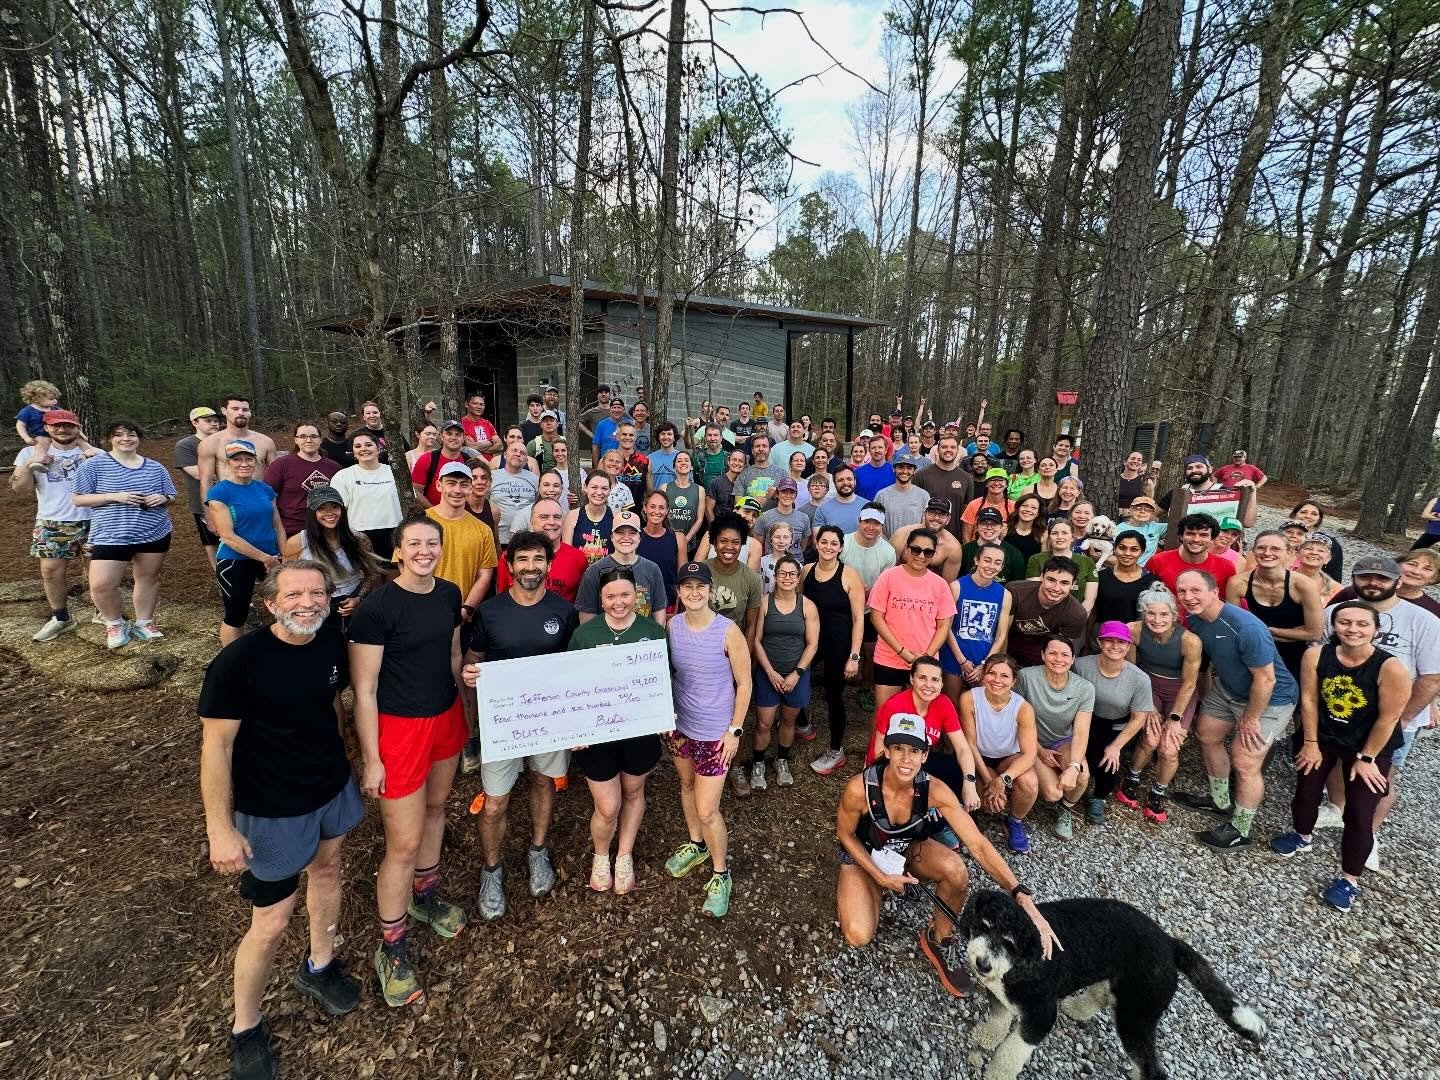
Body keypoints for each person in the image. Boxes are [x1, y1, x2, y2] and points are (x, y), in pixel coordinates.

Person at [200, 561, 362, 1079]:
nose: (307, 603)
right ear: (270, 603)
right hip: (270, 808)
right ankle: (245, 1026)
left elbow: (332, 704)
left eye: (317, 593)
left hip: (330, 786)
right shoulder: (239, 662)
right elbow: (216, 747)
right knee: (270, 921)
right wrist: (220, 828)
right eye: (294, 594)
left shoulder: (329, 644)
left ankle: (319, 964)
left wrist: (348, 756)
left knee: (328, 872)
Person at [838, 698, 1058, 995]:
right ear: (886, 750)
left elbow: (978, 844)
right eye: (898, 749)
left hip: (906, 849)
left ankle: (939, 937)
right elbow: (845, 835)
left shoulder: (934, 790)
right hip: (866, 853)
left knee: (957, 870)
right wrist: (878, 877)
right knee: (858, 934)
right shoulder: (859, 789)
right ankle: (876, 885)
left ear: (925, 755)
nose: (906, 759)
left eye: (914, 750)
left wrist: (1020, 893)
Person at [348, 517, 468, 1007]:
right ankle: (391, 945)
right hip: (399, 729)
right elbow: (364, 689)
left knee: (437, 810)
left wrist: (467, 690)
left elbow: (454, 653)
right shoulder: (376, 607)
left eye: (431, 543)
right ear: (397, 552)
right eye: (414, 544)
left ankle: (425, 895)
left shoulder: (448, 593)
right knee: (402, 842)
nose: (424, 550)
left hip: (444, 715)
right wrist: (372, 758)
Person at [463, 532, 580, 920]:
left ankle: (537, 850)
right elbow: (474, 657)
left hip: (548, 720)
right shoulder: (491, 612)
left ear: (549, 565)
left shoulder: (563, 611)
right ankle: (492, 869)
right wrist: (470, 674)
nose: (531, 567)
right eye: (523, 560)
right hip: (504, 723)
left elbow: (574, 669)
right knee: (495, 802)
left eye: (538, 560)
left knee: (543, 782)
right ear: (509, 566)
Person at [1269, 601, 1411, 911]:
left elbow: (1388, 719)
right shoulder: (1317, 655)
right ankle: (1302, 836)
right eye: (1345, 622)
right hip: (1324, 735)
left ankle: (1349, 879)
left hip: (1369, 746)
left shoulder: (1391, 668)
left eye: (1362, 624)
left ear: (1376, 629)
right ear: (1334, 626)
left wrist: (1368, 758)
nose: (1353, 629)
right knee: (1306, 790)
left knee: (1360, 811)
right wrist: (1309, 741)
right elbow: (1308, 700)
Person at [1316, 556, 1440, 868]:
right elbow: (1319, 659)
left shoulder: (1424, 621)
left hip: (1397, 717)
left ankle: (1368, 835)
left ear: (1397, 582)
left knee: (1380, 778)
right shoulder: (1334, 613)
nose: (1373, 583)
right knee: (1339, 764)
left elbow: (1432, 676)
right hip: (1342, 711)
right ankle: (1338, 809)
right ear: (1353, 580)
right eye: (1365, 577)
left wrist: (1403, 717)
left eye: (1382, 578)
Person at [1171, 569, 1299, 851]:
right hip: (1229, 688)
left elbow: (1266, 679)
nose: (1188, 597)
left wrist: (1251, 718)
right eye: (1182, 592)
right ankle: (1220, 801)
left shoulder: (1246, 627)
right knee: (1205, 734)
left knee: (1245, 761)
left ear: (1214, 592)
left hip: (1270, 698)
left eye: (1196, 591)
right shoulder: (1196, 620)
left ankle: (1240, 828)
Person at [568, 565, 667, 893]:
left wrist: (663, 716)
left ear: (636, 594)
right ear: (601, 598)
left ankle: (624, 855)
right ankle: (601, 855)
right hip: (597, 737)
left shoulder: (652, 632)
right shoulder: (586, 635)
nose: (618, 602)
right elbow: (570, 686)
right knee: (607, 805)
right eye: (610, 596)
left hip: (638, 733)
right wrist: (575, 729)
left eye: (625, 594)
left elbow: (663, 681)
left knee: (634, 791)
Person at [664, 562, 753, 918]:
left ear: (711, 590)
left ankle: (721, 872)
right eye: (687, 586)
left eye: (701, 586)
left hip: (717, 733)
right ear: (679, 592)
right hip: (681, 727)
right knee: (686, 786)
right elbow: (668, 673)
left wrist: (735, 730)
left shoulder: (728, 631)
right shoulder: (672, 626)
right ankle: (696, 844)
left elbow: (744, 684)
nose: (694, 592)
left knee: (708, 809)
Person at [70, 420, 177, 648]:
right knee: (101, 585)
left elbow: (171, 495)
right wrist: (115, 496)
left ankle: (144, 622)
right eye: (119, 435)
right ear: (109, 439)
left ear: (139, 438)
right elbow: (78, 498)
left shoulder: (155, 467)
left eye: (131, 434)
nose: (126, 439)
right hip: (111, 533)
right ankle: (114, 623)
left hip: (153, 532)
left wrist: (163, 499)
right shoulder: (94, 465)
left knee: (147, 578)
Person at [1116, 583, 1203, 823]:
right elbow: (1132, 669)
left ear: (1175, 616)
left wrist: (1174, 718)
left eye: (1164, 614)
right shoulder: (1133, 630)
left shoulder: (1190, 640)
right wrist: (1149, 706)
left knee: (1169, 746)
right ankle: (1132, 778)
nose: (1157, 619)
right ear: (1142, 613)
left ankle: (1158, 791)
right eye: (1150, 613)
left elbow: (1189, 683)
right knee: (1151, 738)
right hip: (1148, 685)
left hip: (1180, 690)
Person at [10, 410, 92, 641]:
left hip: (95, 519)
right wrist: (28, 463)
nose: (62, 429)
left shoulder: (92, 452)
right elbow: (20, 488)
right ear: (46, 427)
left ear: (77, 427)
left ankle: (102, 613)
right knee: (51, 572)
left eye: (68, 425)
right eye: (56, 426)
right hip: (52, 520)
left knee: (97, 571)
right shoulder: (31, 452)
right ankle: (61, 618)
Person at [865, 655, 981, 812]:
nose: (929, 685)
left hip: (919, 760)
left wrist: (969, 783)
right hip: (890, 763)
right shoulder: (894, 706)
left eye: (934, 680)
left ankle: (947, 816)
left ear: (941, 684)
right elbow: (878, 750)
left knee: (955, 769)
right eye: (922, 678)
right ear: (912, 679)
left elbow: (962, 748)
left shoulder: (944, 703)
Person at [745, 555, 819, 791]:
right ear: (774, 576)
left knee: (788, 721)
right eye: (782, 573)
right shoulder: (765, 603)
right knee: (764, 723)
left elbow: (812, 644)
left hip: (796, 674)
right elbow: (756, 641)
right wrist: (769, 672)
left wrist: (797, 673)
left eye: (792, 574)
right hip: (769, 674)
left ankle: (782, 760)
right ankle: (758, 763)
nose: (787, 578)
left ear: (798, 578)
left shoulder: (807, 605)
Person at [868, 526, 958, 713]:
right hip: (889, 657)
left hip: (925, 662)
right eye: (916, 549)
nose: (921, 556)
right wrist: (902, 652)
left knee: (917, 716)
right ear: (907, 549)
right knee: (884, 713)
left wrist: (926, 656)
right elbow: (877, 618)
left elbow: (943, 625)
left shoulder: (940, 585)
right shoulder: (888, 577)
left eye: (928, 552)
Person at [1072, 623, 1154, 823]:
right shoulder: (1081, 665)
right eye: (1109, 640)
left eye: (1121, 642)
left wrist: (1116, 747)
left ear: (1128, 647)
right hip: (1085, 720)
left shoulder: (1139, 679)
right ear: (1100, 642)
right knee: (1081, 759)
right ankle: (1069, 796)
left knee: (1109, 762)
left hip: (1116, 726)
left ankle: (1099, 797)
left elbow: (1139, 718)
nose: (1115, 646)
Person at [960, 654, 1040, 853]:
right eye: (991, 673)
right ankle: (972, 817)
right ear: (983, 675)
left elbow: (1029, 754)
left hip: (1008, 759)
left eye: (1004, 676)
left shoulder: (1023, 708)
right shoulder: (969, 698)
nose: (997, 680)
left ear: (1013, 681)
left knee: (1030, 782)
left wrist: (1002, 780)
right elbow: (969, 744)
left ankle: (1014, 821)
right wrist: (990, 781)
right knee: (981, 797)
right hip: (978, 757)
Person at [207, 440, 284, 646]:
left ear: (256, 462)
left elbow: (277, 526)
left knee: (284, 606)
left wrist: (285, 557)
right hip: (236, 560)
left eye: (248, 459)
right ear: (228, 463)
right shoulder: (220, 492)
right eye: (237, 459)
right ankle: (231, 659)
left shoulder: (265, 490)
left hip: (272, 559)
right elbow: (228, 535)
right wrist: (264, 558)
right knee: (236, 614)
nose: (243, 464)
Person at [803, 525, 866, 775]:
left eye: (834, 543)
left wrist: (854, 655)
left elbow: (859, 619)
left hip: (838, 642)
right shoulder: (806, 571)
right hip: (810, 639)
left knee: (833, 694)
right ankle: (800, 723)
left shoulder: (849, 576)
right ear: (816, 544)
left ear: (841, 547)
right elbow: (799, 605)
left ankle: (836, 749)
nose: (828, 547)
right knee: (795, 677)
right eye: (824, 542)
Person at [1018, 637, 1096, 839]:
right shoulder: (1026, 677)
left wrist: (1073, 766)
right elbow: (1013, 718)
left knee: (1082, 775)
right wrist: (1038, 750)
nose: (1058, 659)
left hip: (1062, 741)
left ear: (1072, 659)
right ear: (1043, 655)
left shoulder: (1084, 688)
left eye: (1065, 654)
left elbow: (1081, 732)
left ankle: (1066, 809)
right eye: (1052, 653)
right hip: (1030, 740)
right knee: (1053, 793)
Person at [1226, 529, 1323, 681]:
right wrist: (1291, 633)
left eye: (1275, 549)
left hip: (1292, 655)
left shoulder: (1304, 585)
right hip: (1255, 651)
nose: (1267, 553)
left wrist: (1263, 630)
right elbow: (1233, 628)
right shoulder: (1238, 583)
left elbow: (1314, 633)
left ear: (1289, 553)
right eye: (1261, 548)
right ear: (1253, 551)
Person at [282, 487, 384, 630]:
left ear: (342, 510)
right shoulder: (297, 542)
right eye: (322, 508)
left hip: (355, 603)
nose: (329, 513)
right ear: (312, 513)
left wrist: (359, 599)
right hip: (315, 607)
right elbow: (286, 581)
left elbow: (372, 574)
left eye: (334, 507)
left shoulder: (359, 539)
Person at [941, 541, 1012, 703]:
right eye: (987, 560)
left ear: (1001, 567)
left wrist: (985, 664)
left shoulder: (1004, 595)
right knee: (950, 703)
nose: (991, 566)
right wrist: (962, 660)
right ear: (976, 560)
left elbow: (1001, 635)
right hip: (955, 655)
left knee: (980, 706)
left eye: (997, 563)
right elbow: (946, 627)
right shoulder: (957, 587)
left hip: (984, 658)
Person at [576, 509, 669, 622]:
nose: (626, 537)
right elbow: (587, 621)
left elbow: (659, 615)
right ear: (611, 537)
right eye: (620, 532)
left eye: (632, 532)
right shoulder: (594, 571)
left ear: (639, 538)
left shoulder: (652, 569)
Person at [493, 498, 587, 603]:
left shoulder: (578, 557)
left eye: (557, 517)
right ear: (531, 523)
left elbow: (583, 602)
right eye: (544, 517)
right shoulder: (511, 556)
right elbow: (501, 598)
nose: (551, 522)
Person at [331, 431, 403, 563]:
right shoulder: (343, 476)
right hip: (360, 535)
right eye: (358, 446)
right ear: (353, 451)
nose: (363, 449)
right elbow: (338, 510)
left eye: (368, 445)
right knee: (369, 579)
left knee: (394, 576)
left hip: (395, 532)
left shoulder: (395, 472)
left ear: (378, 448)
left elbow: (408, 501)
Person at [1003, 557, 1088, 667]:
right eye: (1051, 580)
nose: (1056, 588)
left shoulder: (1076, 613)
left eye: (1064, 583)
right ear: (1041, 577)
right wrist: (1002, 660)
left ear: (1073, 584)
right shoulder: (1015, 591)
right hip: (1008, 641)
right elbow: (1001, 633)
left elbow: (1063, 649)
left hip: (1042, 650)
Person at [264, 422, 341, 537]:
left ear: (320, 440)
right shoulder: (281, 465)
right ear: (296, 440)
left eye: (314, 436)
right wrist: (278, 531)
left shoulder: (333, 467)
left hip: (326, 530)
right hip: (293, 530)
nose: (309, 440)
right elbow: (268, 499)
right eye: (303, 436)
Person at [1147, 513, 1238, 608]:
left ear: (1212, 539)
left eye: (1203, 535)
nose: (1196, 539)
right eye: (1190, 533)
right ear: (1181, 536)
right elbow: (1145, 598)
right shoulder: (1158, 561)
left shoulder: (1226, 567)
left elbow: (1226, 606)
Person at [1158, 454, 1258, 540]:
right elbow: (1152, 513)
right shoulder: (1178, 493)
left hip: (1216, 548)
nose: (1194, 470)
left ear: (1210, 469)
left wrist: (1253, 493)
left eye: (1199, 467)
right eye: (1190, 468)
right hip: (1181, 545)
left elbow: (1247, 522)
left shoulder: (1225, 492)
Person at [199, 395, 277, 498]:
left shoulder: (266, 442)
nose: (241, 413)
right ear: (224, 410)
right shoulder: (211, 443)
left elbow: (277, 477)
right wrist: (209, 512)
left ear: (250, 412)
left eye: (245, 409)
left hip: (260, 501)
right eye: (235, 409)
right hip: (228, 503)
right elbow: (206, 482)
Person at [175, 406, 223, 567]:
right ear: (194, 422)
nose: (214, 424)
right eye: (208, 421)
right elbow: (197, 473)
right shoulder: (186, 445)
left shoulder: (225, 441)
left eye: (216, 421)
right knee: (211, 541)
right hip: (203, 502)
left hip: (232, 499)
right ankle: (220, 575)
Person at [703, 510, 763, 638]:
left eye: (735, 542)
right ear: (714, 544)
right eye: (723, 541)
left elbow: (751, 626)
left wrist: (746, 657)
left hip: (734, 648)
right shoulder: (701, 571)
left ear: (742, 545)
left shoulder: (751, 579)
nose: (729, 547)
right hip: (701, 645)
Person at [1092, 530, 1157, 629]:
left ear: (1142, 552)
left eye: (1134, 549)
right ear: (1114, 549)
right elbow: (1093, 612)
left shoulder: (1151, 581)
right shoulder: (1101, 577)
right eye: (1122, 548)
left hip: (1135, 638)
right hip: (1103, 637)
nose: (1127, 553)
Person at [1026, 520, 1097, 610]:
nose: (1059, 537)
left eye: (1064, 533)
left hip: (1076, 616)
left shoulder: (1087, 562)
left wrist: (1077, 620)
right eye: (1054, 533)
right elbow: (1034, 594)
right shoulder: (1036, 559)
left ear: (1072, 537)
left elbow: (1089, 600)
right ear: (1049, 537)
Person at [409, 419, 471, 508]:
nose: (453, 437)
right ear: (441, 436)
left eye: (458, 435)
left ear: (463, 439)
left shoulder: (468, 461)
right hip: (433, 517)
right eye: (449, 434)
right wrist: (434, 512)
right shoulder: (427, 459)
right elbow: (415, 491)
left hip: (462, 515)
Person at [490, 443, 540, 545]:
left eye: (522, 453)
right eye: (514, 450)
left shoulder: (535, 479)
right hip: (498, 538)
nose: (518, 454)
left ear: (526, 460)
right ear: (505, 455)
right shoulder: (492, 476)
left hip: (526, 539)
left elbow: (538, 505)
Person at [958, 505, 1024, 583]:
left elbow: (1017, 587)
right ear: (977, 526)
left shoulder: (1014, 554)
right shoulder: (964, 550)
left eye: (994, 524)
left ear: (1001, 527)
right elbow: (958, 580)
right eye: (984, 523)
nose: (989, 527)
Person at [875, 452, 930, 535]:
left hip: (914, 546)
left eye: (909, 468)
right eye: (900, 467)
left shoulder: (923, 496)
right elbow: (875, 523)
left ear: (915, 471)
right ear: (894, 469)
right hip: (888, 546)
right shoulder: (882, 495)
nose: (905, 471)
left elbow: (926, 526)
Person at [755, 478, 809, 558]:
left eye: (791, 492)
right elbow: (758, 546)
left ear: (796, 495)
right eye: (784, 492)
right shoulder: (764, 517)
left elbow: (803, 545)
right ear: (777, 494)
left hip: (796, 565)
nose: (788, 496)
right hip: (771, 566)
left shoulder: (804, 518)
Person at [960, 469, 1015, 544]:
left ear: (1006, 484)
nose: (996, 483)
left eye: (1000, 480)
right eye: (992, 480)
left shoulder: (1013, 506)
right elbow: (966, 536)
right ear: (986, 484)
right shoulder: (973, 505)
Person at [811, 465, 865, 536]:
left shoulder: (867, 506)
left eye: (849, 479)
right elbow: (817, 541)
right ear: (834, 483)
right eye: (840, 480)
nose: (845, 483)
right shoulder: (822, 509)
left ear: (855, 481)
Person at [736, 432, 788, 505]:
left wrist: (777, 495)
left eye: (764, 446)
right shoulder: (743, 475)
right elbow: (738, 504)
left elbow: (790, 502)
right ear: (752, 450)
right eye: (757, 446)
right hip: (750, 516)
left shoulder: (782, 474)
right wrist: (766, 497)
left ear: (769, 450)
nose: (761, 449)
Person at [1293, 532, 1342, 603]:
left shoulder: (1336, 589)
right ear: (1297, 554)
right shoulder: (1281, 580)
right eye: (1308, 548)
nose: (1314, 552)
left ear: (1328, 558)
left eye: (1321, 550)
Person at [1123, 495, 1167, 564]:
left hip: (1146, 572)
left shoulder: (1157, 528)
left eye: (1147, 509)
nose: (1142, 511)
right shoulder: (1118, 529)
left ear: (1153, 513)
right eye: (1138, 508)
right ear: (1131, 510)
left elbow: (1181, 525)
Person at [1004, 492, 1045, 564]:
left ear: (1038, 513)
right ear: (1018, 508)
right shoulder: (1005, 529)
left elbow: (1042, 562)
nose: (1028, 510)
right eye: (1025, 506)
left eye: (1033, 508)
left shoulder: (1043, 535)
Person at [854, 433, 896, 501]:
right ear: (869, 451)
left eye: (880, 447)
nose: (877, 451)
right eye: (873, 448)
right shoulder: (858, 473)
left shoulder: (894, 472)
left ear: (885, 450)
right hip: (864, 510)